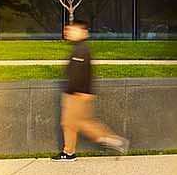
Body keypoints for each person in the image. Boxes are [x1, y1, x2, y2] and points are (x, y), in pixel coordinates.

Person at [53, 21, 127, 159]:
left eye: (72, 30)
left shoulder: (82, 50)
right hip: (73, 92)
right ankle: (68, 152)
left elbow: (81, 75)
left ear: (83, 32)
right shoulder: (78, 48)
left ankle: (114, 141)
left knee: (81, 123)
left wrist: (81, 93)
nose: (68, 32)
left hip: (78, 94)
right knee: (68, 123)